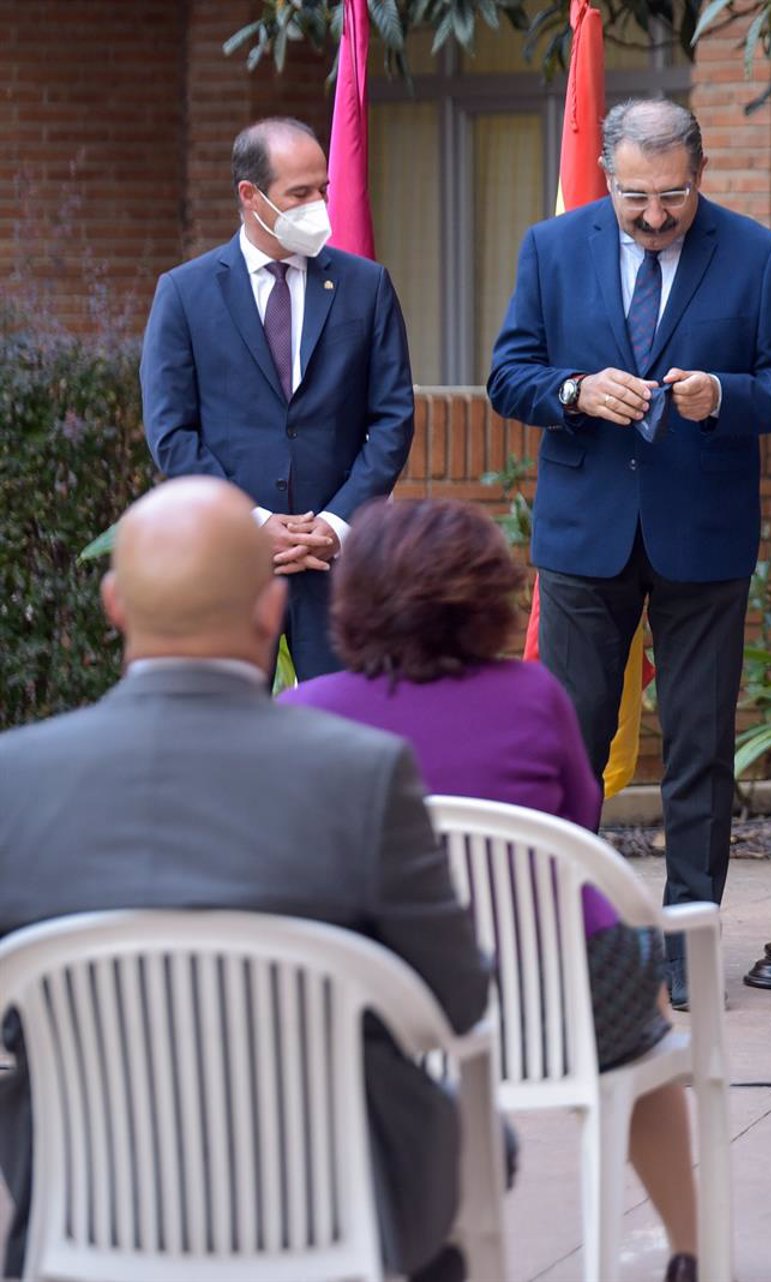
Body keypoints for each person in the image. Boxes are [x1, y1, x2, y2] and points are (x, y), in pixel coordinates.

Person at [0, 478, 487, 1281]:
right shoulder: (361, 775)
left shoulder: (16, 779)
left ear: (114, 604)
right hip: (333, 1199)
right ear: (272, 610)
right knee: (465, 1149)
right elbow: (458, 1001)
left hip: (82, 1199)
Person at [282, 497, 701, 1282]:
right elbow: (575, 832)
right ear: (487, 596)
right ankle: (688, 1248)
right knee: (644, 1036)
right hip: (557, 998)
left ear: (354, 600)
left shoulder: (300, 714)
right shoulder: (534, 697)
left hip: (382, 1004)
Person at [487, 97, 771, 1006]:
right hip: (586, 537)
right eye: (637, 198)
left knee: (702, 750)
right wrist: (577, 390)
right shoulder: (552, 249)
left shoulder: (753, 254)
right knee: (568, 746)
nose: (657, 216)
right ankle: (562, 944)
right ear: (607, 177)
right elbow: (507, 375)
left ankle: (689, 950)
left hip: (701, 537)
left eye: (672, 197)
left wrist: (724, 396)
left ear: (698, 177)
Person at [140, 117, 416, 679]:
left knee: (340, 738)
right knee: (224, 741)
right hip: (230, 568)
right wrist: (252, 521)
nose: (319, 205)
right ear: (250, 196)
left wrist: (336, 524)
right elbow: (171, 431)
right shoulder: (185, 293)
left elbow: (392, 418)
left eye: (324, 190)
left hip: (335, 566)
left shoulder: (367, 286)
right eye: (301, 193)